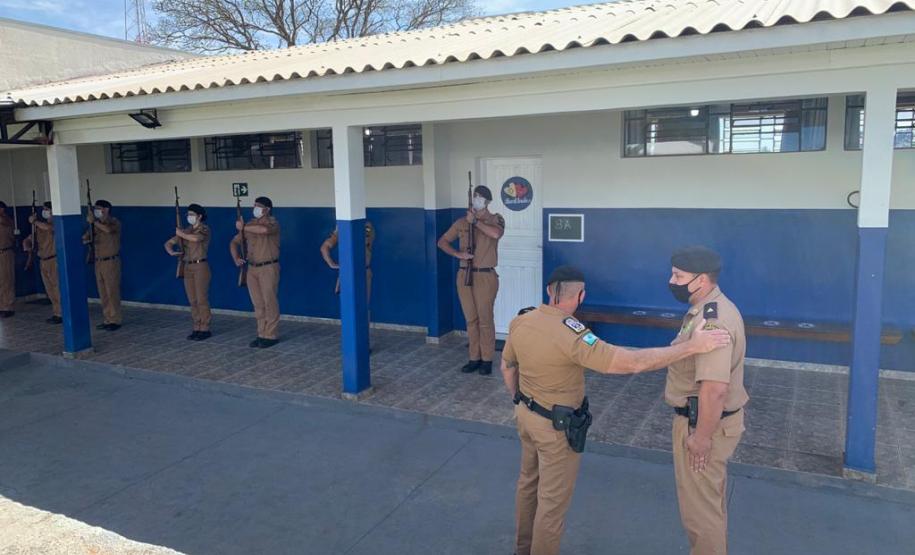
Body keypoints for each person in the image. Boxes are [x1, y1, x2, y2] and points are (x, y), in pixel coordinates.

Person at [501, 265, 732, 555]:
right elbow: (629, 363)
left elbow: (507, 367)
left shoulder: (521, 321)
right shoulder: (573, 335)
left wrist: (520, 401)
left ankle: (522, 549)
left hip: (525, 416)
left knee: (527, 485)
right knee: (551, 503)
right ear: (581, 295)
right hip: (555, 431)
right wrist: (690, 347)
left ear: (549, 290)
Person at [665, 246, 748, 555]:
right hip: (704, 420)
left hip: (703, 424)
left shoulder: (712, 321)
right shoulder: (703, 310)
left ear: (701, 280)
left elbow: (714, 389)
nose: (671, 280)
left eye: (678, 276)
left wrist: (700, 438)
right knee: (708, 508)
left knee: (701, 516)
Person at [437, 185, 504, 375]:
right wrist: (458, 254)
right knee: (471, 320)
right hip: (465, 274)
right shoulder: (461, 222)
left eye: (479, 197)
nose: (476, 199)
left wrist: (475, 222)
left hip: (485, 276)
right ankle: (474, 358)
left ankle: (487, 360)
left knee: (485, 319)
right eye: (474, 196)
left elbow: (495, 234)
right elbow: (442, 242)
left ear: (487, 201)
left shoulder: (495, 219)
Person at [231, 196, 280, 348]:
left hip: (268, 267)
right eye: (254, 205)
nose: (255, 208)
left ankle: (270, 335)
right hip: (252, 268)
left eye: (258, 206)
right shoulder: (250, 224)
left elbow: (264, 230)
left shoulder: (272, 222)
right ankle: (261, 334)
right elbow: (234, 242)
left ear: (267, 209)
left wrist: (243, 227)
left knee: (269, 301)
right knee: (258, 303)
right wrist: (236, 257)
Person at [165, 203, 212, 341]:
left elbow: (197, 239)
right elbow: (168, 243)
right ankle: (196, 326)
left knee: (201, 299)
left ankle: (205, 327)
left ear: (199, 216)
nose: (189, 217)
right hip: (187, 266)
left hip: (200, 266)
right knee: (192, 299)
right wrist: (171, 251)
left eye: (192, 215)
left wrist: (181, 234)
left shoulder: (204, 229)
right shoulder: (186, 230)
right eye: (188, 215)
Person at [84, 199, 122, 331]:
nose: (96, 211)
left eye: (99, 208)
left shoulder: (114, 222)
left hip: (110, 261)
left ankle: (115, 319)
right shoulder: (95, 225)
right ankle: (107, 319)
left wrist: (94, 222)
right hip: (98, 261)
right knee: (103, 292)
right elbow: (86, 237)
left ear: (106, 209)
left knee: (112, 291)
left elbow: (108, 230)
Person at [24, 202, 61, 324]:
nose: (44, 211)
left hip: (53, 260)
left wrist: (34, 222)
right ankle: (56, 312)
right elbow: (29, 239)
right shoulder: (40, 226)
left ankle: (61, 313)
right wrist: (28, 245)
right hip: (43, 261)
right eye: (43, 209)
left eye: (47, 209)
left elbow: (49, 228)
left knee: (57, 288)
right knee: (49, 289)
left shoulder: (55, 223)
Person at [320, 220, 375, 300]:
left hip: (364, 272)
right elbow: (324, 247)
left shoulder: (366, 226)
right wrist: (331, 264)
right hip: (348, 273)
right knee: (348, 304)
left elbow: (367, 237)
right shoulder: (342, 229)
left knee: (364, 305)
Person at [0, 201, 15, 318]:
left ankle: (8, 307)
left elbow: (6, 224)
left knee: (7, 280)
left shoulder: (6, 220)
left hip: (5, 252)